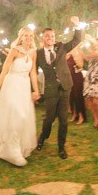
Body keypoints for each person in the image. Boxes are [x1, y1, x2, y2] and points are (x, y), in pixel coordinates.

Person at [0, 27, 40, 166]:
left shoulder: (33, 52)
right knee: (17, 115)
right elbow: (4, 70)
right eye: (25, 35)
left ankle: (18, 145)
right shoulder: (14, 50)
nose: (28, 38)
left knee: (24, 116)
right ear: (20, 37)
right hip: (12, 84)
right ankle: (12, 151)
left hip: (24, 86)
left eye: (31, 35)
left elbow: (33, 72)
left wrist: (36, 90)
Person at [36, 16, 82, 160]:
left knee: (63, 119)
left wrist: (77, 25)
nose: (50, 38)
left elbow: (76, 40)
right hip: (50, 89)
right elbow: (31, 70)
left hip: (65, 87)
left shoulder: (61, 46)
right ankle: (42, 138)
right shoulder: (38, 54)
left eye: (52, 36)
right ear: (43, 38)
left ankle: (61, 147)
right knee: (49, 119)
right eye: (47, 36)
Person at [81, 35, 98, 129]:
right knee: (89, 100)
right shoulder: (94, 51)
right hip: (89, 77)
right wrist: (78, 49)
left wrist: (90, 47)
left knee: (96, 99)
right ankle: (96, 118)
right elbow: (86, 57)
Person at [67, 47, 86, 124]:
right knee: (71, 97)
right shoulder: (68, 54)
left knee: (78, 96)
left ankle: (82, 116)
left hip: (77, 77)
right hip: (69, 77)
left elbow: (81, 66)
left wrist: (75, 59)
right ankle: (75, 114)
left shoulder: (78, 52)